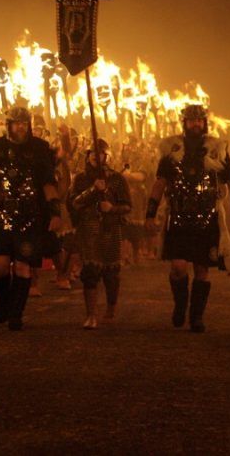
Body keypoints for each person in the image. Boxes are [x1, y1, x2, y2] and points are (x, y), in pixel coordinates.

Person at [145, 105, 230, 333]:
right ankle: (180, 306)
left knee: (202, 269)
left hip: (207, 217)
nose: (196, 124)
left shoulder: (217, 149)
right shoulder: (172, 150)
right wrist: (150, 212)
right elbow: (160, 183)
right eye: (192, 120)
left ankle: (196, 316)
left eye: (199, 120)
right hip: (178, 216)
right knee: (178, 267)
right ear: (185, 123)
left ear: (205, 122)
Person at [0, 106, 62, 331]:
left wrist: (55, 212)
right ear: (8, 125)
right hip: (1, 215)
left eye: (24, 123)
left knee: (22, 266)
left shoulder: (39, 150)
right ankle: (5, 301)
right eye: (17, 123)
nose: (21, 127)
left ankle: (16, 314)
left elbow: (48, 184)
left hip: (29, 218)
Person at [69, 138, 131, 329]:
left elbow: (127, 206)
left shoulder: (117, 179)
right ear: (88, 156)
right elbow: (74, 203)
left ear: (107, 155)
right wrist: (92, 189)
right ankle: (91, 314)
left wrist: (111, 208)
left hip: (110, 229)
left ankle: (111, 308)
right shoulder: (80, 179)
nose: (97, 156)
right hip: (88, 230)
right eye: (93, 153)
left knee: (111, 274)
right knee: (90, 272)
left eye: (100, 153)